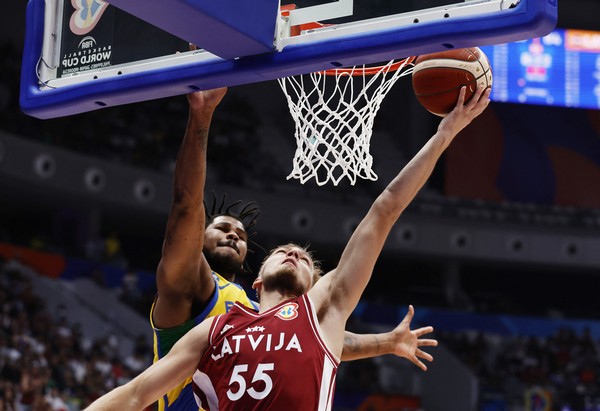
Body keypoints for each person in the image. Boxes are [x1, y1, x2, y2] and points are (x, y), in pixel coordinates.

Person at [85, 84, 491, 411]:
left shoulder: (322, 315)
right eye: (284, 250)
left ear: (314, 285)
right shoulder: (219, 325)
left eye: (306, 259)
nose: (296, 252)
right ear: (256, 281)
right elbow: (137, 394)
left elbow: (384, 210)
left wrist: (443, 136)